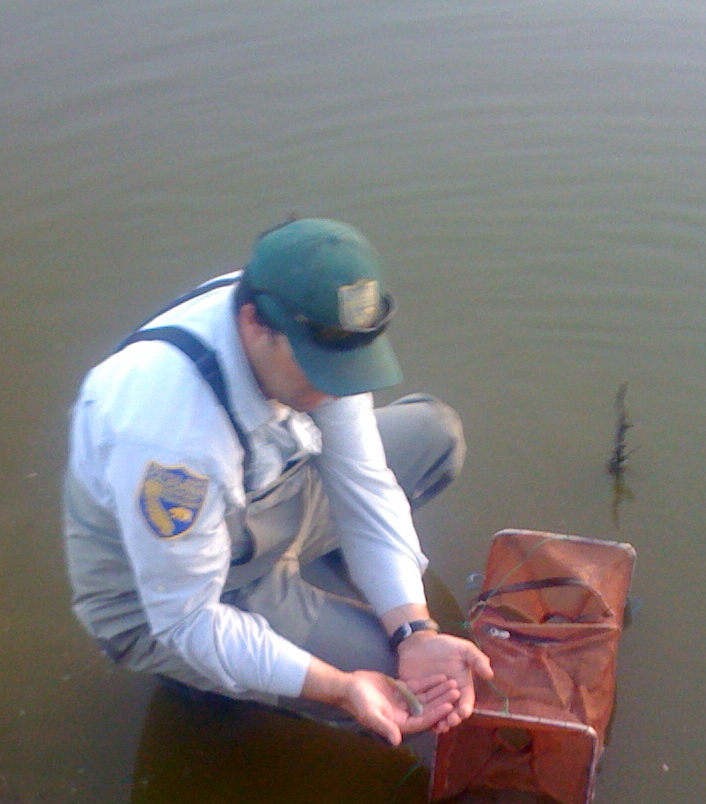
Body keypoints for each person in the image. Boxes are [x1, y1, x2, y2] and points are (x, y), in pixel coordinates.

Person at [63, 217, 491, 746]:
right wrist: (339, 687)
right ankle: (206, 681)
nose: (339, 390)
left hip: (259, 504)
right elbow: (187, 620)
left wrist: (414, 630)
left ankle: (312, 594)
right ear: (254, 324)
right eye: (320, 372)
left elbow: (364, 488)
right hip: (171, 602)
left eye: (351, 368)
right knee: (401, 685)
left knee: (434, 435)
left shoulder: (309, 318)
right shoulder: (169, 442)